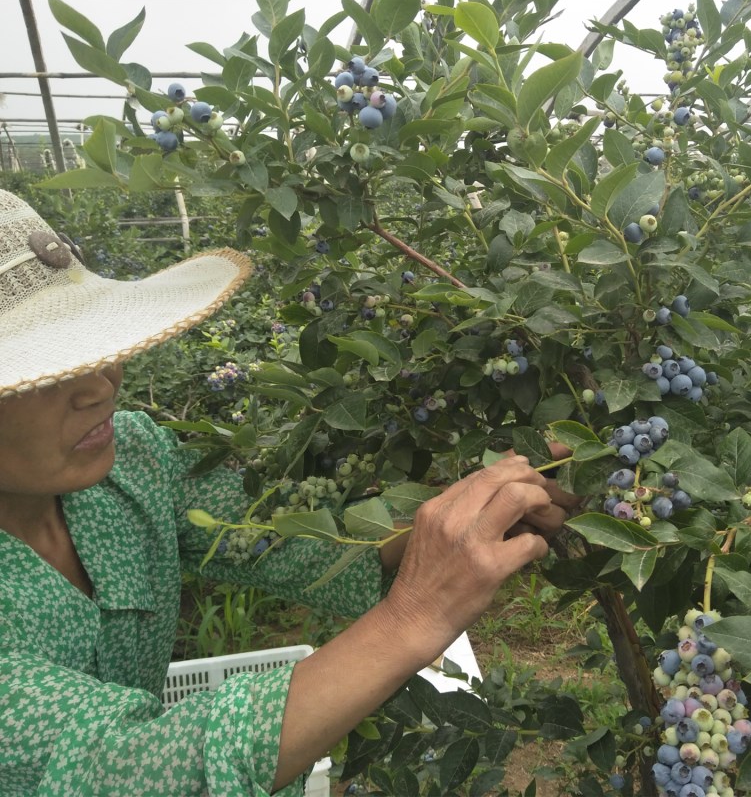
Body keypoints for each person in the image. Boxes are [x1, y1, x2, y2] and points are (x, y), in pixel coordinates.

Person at [0, 189, 575, 796]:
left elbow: (282, 542)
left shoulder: (132, 463)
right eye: (37, 372)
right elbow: (124, 768)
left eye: (89, 346)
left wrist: (467, 515)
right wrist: (415, 616)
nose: (102, 382)